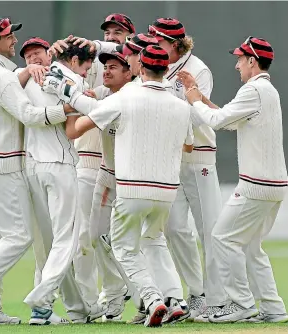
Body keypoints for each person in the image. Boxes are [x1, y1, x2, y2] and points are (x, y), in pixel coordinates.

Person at [46, 45, 193, 327]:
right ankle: (176, 300)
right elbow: (187, 145)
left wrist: (66, 92)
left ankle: (152, 299)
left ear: (139, 69)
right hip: (166, 191)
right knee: (154, 241)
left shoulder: (127, 97)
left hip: (131, 187)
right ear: (165, 69)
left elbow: (84, 120)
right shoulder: (180, 104)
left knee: (123, 247)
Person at [0, 17, 73, 325]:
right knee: (18, 236)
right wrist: (64, 109)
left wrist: (35, 63)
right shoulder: (1, 78)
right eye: (9, 37)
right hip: (3, 165)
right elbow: (27, 114)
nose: (14, 41)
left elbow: (17, 78)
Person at [178, 36, 288, 323]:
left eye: (240, 59)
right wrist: (199, 96)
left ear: (253, 61)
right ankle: (273, 308)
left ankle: (241, 304)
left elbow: (215, 122)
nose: (237, 65)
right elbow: (227, 118)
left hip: (256, 184)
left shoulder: (254, 90)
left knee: (222, 237)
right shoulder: (265, 90)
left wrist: (192, 100)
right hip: (272, 184)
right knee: (250, 247)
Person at [49, 13, 136, 307]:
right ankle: (102, 298)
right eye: (107, 32)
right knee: (89, 238)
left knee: (112, 238)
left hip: (118, 171)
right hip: (87, 166)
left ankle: (123, 295)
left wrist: (76, 101)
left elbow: (107, 54)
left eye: (118, 32)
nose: (112, 36)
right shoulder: (98, 73)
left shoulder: (130, 86)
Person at [18, 38, 107, 325]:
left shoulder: (32, 76)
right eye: (85, 66)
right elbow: (72, 131)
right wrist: (86, 104)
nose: (85, 73)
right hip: (60, 166)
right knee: (66, 239)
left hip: (32, 166)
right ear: (73, 61)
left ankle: (73, 310)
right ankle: (41, 296)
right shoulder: (72, 81)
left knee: (49, 243)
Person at [148, 17, 227, 321]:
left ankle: (220, 299)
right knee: (175, 229)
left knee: (210, 230)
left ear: (176, 44)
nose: (155, 46)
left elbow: (199, 116)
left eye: (160, 42)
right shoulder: (156, 67)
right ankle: (197, 295)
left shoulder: (199, 70)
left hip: (200, 159)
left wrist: (162, 112)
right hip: (170, 161)